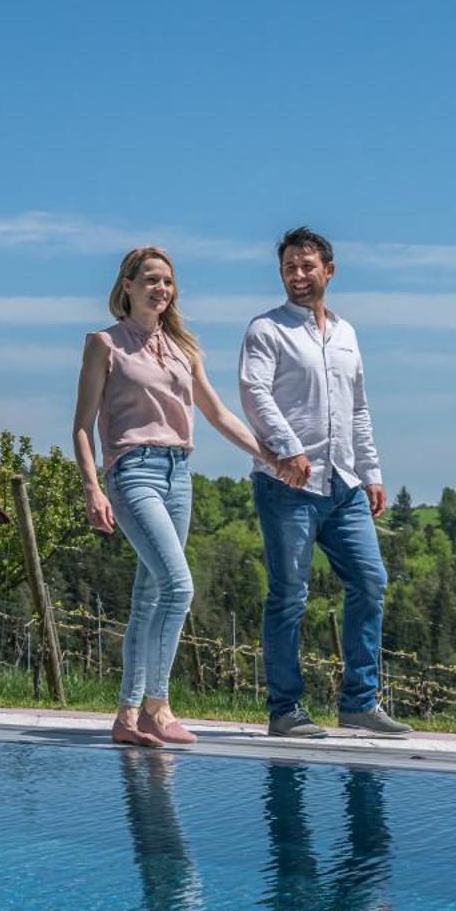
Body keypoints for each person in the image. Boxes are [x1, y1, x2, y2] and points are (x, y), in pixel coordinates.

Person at [74, 246, 279, 747]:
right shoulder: (105, 344)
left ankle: (126, 717)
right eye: (150, 280)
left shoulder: (184, 349)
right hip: (132, 472)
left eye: (167, 281)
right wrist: (92, 487)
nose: (160, 289)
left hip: (179, 474)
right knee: (179, 587)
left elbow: (217, 413)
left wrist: (270, 456)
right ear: (127, 285)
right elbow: (81, 426)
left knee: (148, 598)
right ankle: (158, 708)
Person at [238, 226, 412, 737]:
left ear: (328, 271)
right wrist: (288, 448)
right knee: (290, 594)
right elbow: (254, 392)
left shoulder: (347, 334)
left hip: (344, 485)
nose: (297, 275)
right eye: (289, 266)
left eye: (307, 266)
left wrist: (372, 471)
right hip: (286, 486)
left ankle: (359, 702)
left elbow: (358, 409)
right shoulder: (266, 330)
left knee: (370, 581)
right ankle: (285, 710)